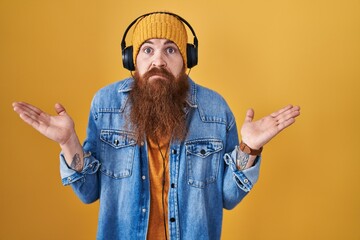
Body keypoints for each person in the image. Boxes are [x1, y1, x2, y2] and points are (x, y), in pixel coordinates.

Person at [12, 11, 300, 240]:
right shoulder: (106, 104)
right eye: (147, 50)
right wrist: (67, 141)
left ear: (187, 60)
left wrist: (250, 147)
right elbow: (88, 192)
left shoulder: (215, 109)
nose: (158, 61)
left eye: (171, 50)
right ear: (132, 60)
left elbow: (227, 197)